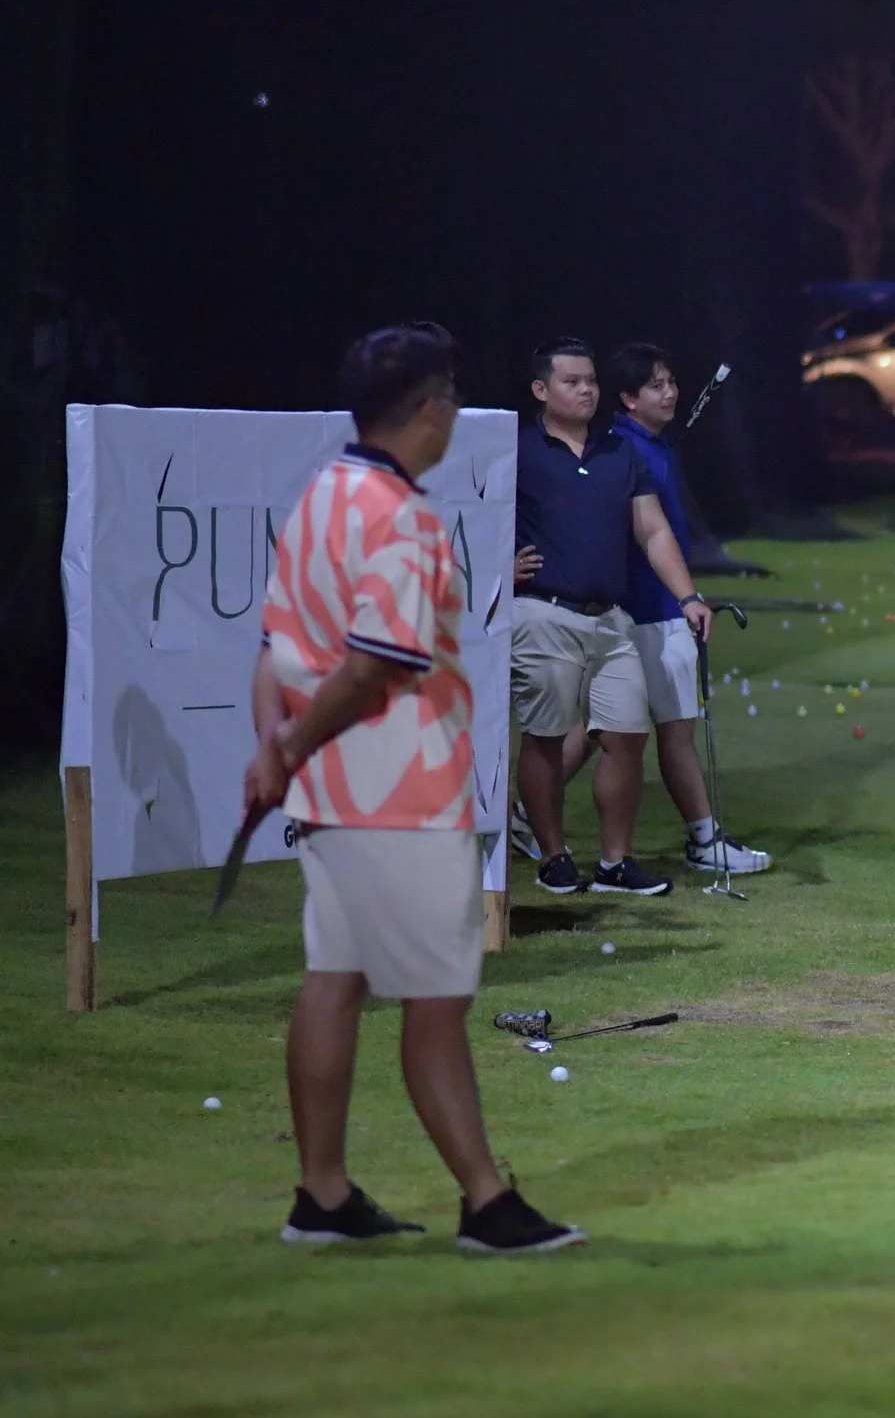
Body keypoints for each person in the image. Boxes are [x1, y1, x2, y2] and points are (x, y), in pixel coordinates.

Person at [248, 324, 582, 1253]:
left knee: (335, 980)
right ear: (430, 409)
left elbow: (274, 653)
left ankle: (321, 1193)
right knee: (433, 1005)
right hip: (399, 794)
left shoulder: (318, 498)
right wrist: (287, 743)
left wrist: (275, 749)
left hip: (335, 794)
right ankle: (484, 1202)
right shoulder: (402, 517)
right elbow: (369, 670)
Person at [517, 345, 771, 879]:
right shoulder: (519, 452)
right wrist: (499, 564)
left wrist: (690, 596)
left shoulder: (619, 452)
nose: (586, 390)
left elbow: (654, 532)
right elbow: (473, 518)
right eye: (571, 382)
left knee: (622, 736)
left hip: (614, 619)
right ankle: (553, 853)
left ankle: (615, 862)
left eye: (590, 381)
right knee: (554, 737)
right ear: (541, 390)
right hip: (557, 612)